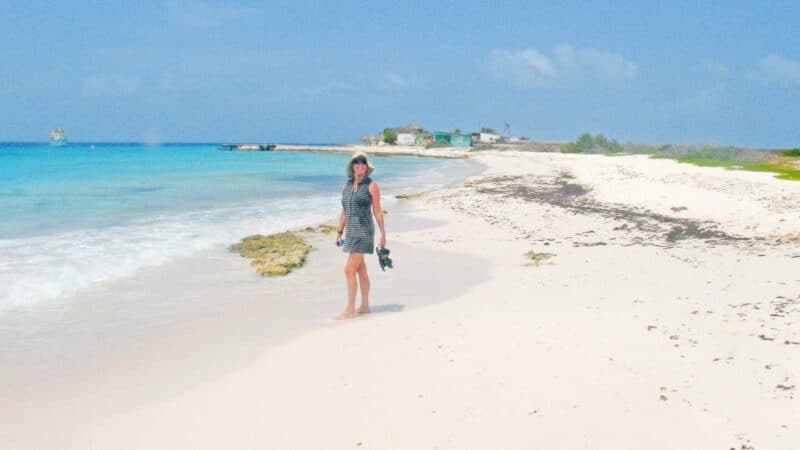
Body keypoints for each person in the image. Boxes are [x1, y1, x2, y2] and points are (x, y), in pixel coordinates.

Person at [334, 151, 386, 320]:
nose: (360, 164)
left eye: (363, 162)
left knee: (349, 270)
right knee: (360, 269)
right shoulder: (347, 186)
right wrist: (339, 232)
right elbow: (344, 211)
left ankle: (350, 309)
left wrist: (383, 235)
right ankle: (364, 306)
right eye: (356, 162)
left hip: (364, 232)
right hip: (351, 232)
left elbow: (377, 211)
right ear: (352, 166)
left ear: (366, 166)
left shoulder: (372, 185)